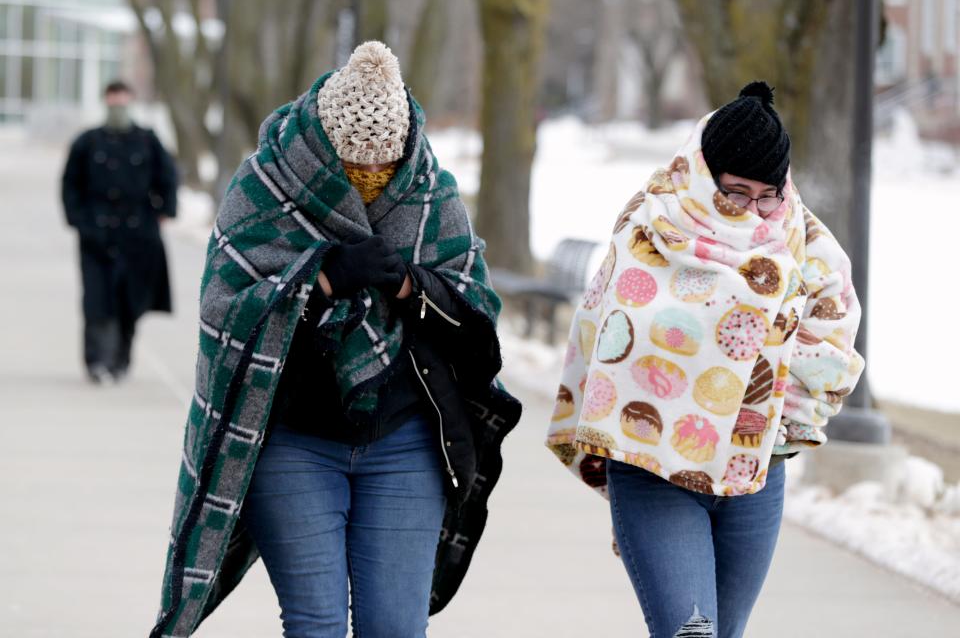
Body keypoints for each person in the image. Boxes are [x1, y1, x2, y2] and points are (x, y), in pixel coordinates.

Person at [149, 42, 520, 638]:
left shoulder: (430, 191)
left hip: (404, 440)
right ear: (323, 147)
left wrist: (408, 285)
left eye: (382, 166)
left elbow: (477, 321)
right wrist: (319, 281)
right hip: (292, 440)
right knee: (315, 622)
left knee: (396, 626)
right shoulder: (267, 185)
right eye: (351, 167)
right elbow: (223, 317)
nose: (368, 183)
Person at [546, 82, 864, 638]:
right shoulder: (652, 228)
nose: (752, 210)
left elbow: (833, 333)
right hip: (653, 465)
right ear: (704, 172)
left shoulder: (802, 239)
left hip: (755, 473)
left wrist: (781, 407)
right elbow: (613, 332)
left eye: (769, 194)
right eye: (735, 192)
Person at [61, 80, 178, 383]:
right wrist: (79, 220)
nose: (118, 107)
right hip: (96, 235)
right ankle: (96, 361)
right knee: (97, 300)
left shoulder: (147, 141)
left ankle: (121, 360)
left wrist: (164, 212)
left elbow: (168, 178)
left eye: (123, 101)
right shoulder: (87, 142)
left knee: (130, 301)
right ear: (105, 102)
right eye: (113, 101)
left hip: (137, 235)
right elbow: (70, 185)